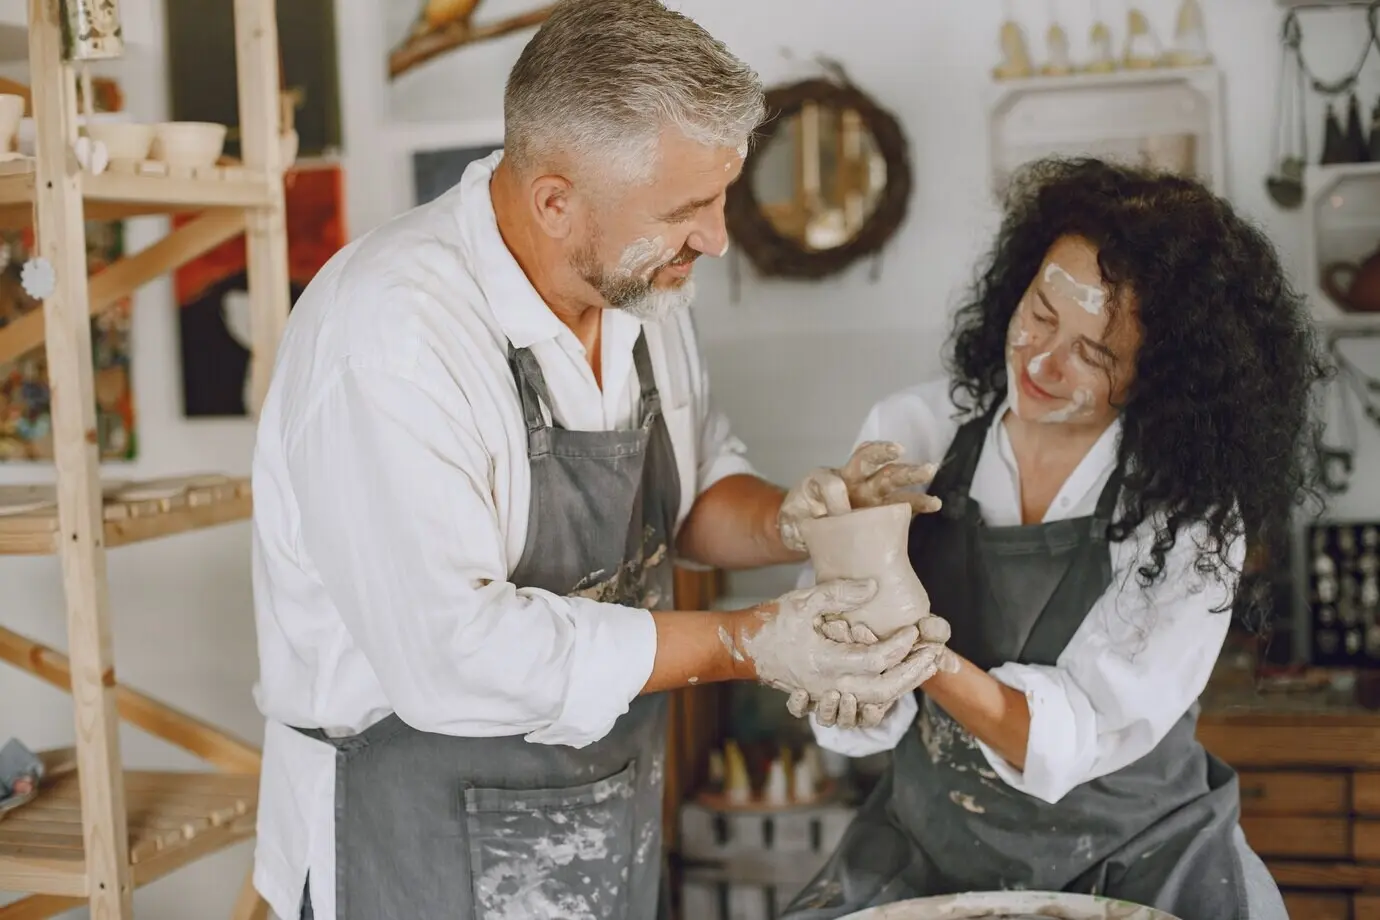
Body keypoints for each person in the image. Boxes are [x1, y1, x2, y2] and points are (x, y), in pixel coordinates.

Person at [246, 2, 952, 919]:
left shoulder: (638, 285)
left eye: (721, 197)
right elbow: (451, 658)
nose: (718, 238)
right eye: (687, 210)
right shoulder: (390, 337)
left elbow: (686, 499)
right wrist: (749, 642)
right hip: (408, 840)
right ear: (554, 199)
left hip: (604, 817)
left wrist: (794, 520)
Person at [782, 157, 1326, 920]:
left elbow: (1072, 735)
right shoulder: (914, 433)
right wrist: (838, 642)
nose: (1040, 361)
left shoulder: (1189, 507)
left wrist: (920, 658)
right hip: (931, 843)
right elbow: (848, 698)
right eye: (1041, 311)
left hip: (1139, 852)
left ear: (1157, 378)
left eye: (1093, 353)